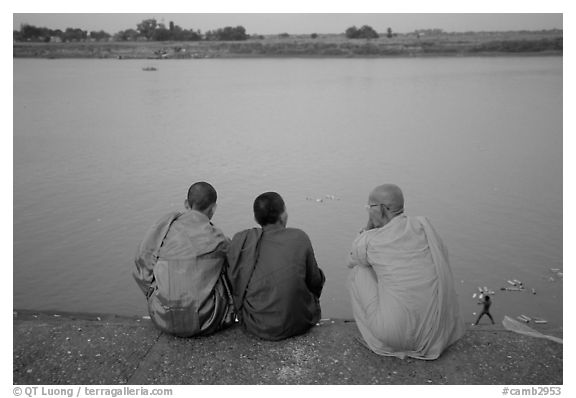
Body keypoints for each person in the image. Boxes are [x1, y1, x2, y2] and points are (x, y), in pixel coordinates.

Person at [347, 184, 465, 360]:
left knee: (359, 271)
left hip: (392, 335)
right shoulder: (423, 226)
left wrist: (370, 227)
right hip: (434, 333)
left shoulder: (371, 240)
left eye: (369, 207)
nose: (368, 211)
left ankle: (379, 342)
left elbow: (351, 260)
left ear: (379, 209)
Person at [133, 182, 235, 337]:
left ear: (186, 204)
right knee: (227, 264)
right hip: (207, 320)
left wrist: (153, 292)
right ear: (213, 208)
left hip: (162, 316)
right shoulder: (219, 238)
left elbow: (142, 260)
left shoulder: (165, 227)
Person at [227, 192, 325, 340]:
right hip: (299, 321)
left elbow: (233, 280)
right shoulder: (299, 237)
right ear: (283, 215)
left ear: (256, 218)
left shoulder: (241, 240)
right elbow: (315, 281)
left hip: (256, 324)